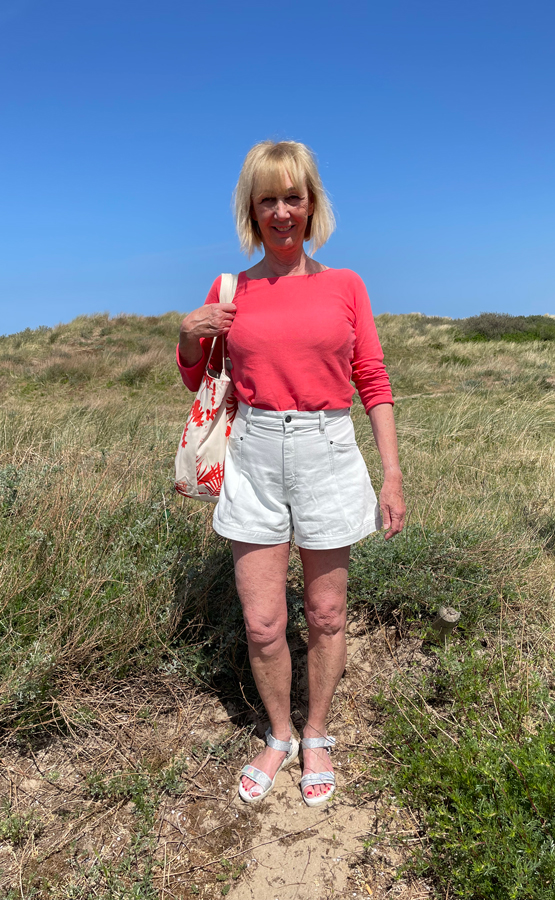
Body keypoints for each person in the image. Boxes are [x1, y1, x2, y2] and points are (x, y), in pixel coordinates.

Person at [177, 140, 405, 806]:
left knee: (328, 614)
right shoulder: (233, 290)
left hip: (327, 449)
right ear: (252, 208)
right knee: (263, 625)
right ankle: (277, 734)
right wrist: (188, 334)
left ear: (312, 203)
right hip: (254, 451)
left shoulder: (345, 285)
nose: (281, 212)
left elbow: (373, 378)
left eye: (293, 197)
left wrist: (390, 473)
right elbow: (200, 376)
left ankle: (315, 733)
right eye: (267, 199)